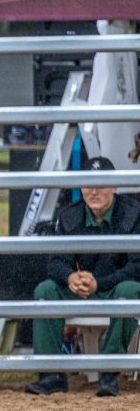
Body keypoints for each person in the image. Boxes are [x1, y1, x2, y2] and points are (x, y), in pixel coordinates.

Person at [25, 156, 140, 397]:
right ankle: (51, 374)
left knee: (129, 292)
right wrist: (70, 277)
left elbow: (136, 266)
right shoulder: (69, 215)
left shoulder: (134, 214)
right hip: (81, 287)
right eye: (88, 184)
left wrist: (101, 283)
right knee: (45, 291)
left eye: (101, 184)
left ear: (115, 187)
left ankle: (110, 373)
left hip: (114, 286)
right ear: (80, 187)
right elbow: (55, 260)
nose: (94, 191)